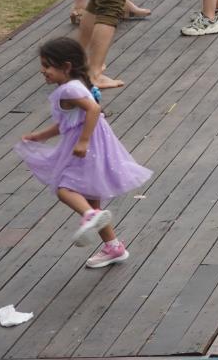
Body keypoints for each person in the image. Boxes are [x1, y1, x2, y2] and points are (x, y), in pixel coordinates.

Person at [13, 37, 154, 271]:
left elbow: (94, 109)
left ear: (66, 67)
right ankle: (113, 246)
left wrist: (84, 141)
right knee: (91, 196)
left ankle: (89, 215)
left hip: (86, 147)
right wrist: (41, 136)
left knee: (64, 188)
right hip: (90, 146)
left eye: (48, 65)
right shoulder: (73, 86)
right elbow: (66, 122)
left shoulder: (69, 89)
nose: (43, 70)